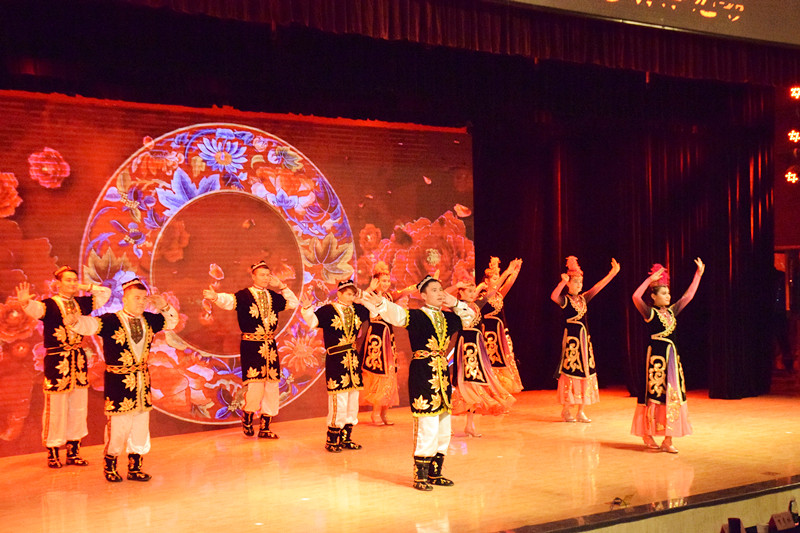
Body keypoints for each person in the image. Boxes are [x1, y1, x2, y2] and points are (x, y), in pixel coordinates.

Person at [69, 278, 178, 481]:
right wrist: (75, 321)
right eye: (137, 298)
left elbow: (172, 322)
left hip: (142, 382)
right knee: (118, 426)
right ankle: (110, 464)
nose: (141, 302)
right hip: (118, 382)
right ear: (125, 299)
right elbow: (89, 325)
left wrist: (163, 306)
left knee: (140, 425)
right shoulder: (111, 320)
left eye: (144, 298)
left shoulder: (149, 319)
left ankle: (135, 467)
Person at [377, 275, 475, 491]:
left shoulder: (448, 318)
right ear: (423, 295)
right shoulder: (417, 316)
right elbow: (395, 315)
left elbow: (470, 317)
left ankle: (435, 472)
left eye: (441, 290)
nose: (440, 293)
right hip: (422, 373)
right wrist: (378, 301)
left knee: (444, 426)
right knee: (427, 424)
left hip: (442, 375)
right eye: (434, 290)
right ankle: (420, 474)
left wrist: (454, 302)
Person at [15, 266, 111, 468]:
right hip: (58, 362)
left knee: (78, 407)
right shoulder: (50, 305)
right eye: (68, 280)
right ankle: (53, 451)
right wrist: (24, 302)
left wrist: (84, 286)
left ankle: (73, 452)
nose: (72, 283)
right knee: (56, 408)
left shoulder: (81, 303)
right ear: (58, 284)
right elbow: (34, 309)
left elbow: (105, 293)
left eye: (74, 280)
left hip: (78, 362)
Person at [203, 261, 298, 439]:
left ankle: (265, 427)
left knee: (272, 386)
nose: (266, 278)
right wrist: (215, 297)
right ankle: (248, 415)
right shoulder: (245, 295)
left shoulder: (273, 296)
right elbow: (229, 301)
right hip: (251, 345)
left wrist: (282, 286)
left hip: (270, 346)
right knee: (255, 385)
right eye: (262, 275)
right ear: (253, 276)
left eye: (268, 275)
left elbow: (293, 303)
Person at [630, 258, 704, 454]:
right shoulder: (650, 313)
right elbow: (636, 297)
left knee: (672, 396)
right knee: (654, 397)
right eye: (663, 293)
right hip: (656, 362)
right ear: (653, 297)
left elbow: (688, 296)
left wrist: (698, 275)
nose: (668, 296)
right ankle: (647, 434)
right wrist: (649, 280)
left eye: (668, 292)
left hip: (672, 360)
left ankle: (668, 439)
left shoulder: (671, 312)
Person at [300, 279, 383, 452]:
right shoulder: (328, 310)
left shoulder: (357, 310)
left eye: (353, 294)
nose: (351, 297)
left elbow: (374, 310)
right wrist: (307, 309)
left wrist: (366, 294)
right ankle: (332, 439)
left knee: (353, 399)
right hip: (337, 358)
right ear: (339, 293)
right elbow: (313, 322)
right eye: (348, 294)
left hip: (353, 359)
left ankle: (346, 437)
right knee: (339, 398)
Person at [550, 256, 620, 423]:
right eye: (575, 282)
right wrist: (561, 283)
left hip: (584, 343)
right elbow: (553, 296)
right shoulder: (565, 300)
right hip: (572, 343)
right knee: (571, 373)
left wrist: (612, 273)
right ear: (569, 283)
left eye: (580, 282)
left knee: (586, 373)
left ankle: (581, 411)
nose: (579, 285)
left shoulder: (583, 298)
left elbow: (598, 286)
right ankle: (567, 409)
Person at [449, 280, 515, 437]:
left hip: (477, 347)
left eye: (474, 292)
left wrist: (506, 275)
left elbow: (492, 292)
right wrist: (458, 286)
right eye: (469, 291)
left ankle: (469, 425)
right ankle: (448, 425)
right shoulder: (458, 305)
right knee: (465, 385)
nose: (473, 294)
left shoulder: (476, 305)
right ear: (461, 293)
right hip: (466, 348)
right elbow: (444, 295)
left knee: (476, 385)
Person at [360, 262, 401, 425]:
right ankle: (375, 413)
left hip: (388, 337)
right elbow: (359, 300)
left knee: (390, 373)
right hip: (377, 338)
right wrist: (370, 288)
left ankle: (384, 412)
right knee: (379, 374)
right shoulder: (370, 295)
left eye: (388, 281)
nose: (386, 284)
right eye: (383, 281)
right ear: (376, 281)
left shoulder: (389, 297)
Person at [478, 257, 523, 394]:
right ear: (486, 281)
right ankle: (491, 390)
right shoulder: (482, 296)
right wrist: (507, 271)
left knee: (505, 361)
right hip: (490, 335)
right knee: (492, 362)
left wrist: (515, 271)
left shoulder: (499, 295)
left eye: (498, 277)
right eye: (494, 278)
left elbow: (509, 283)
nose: (497, 280)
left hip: (502, 333)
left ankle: (502, 391)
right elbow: (495, 288)